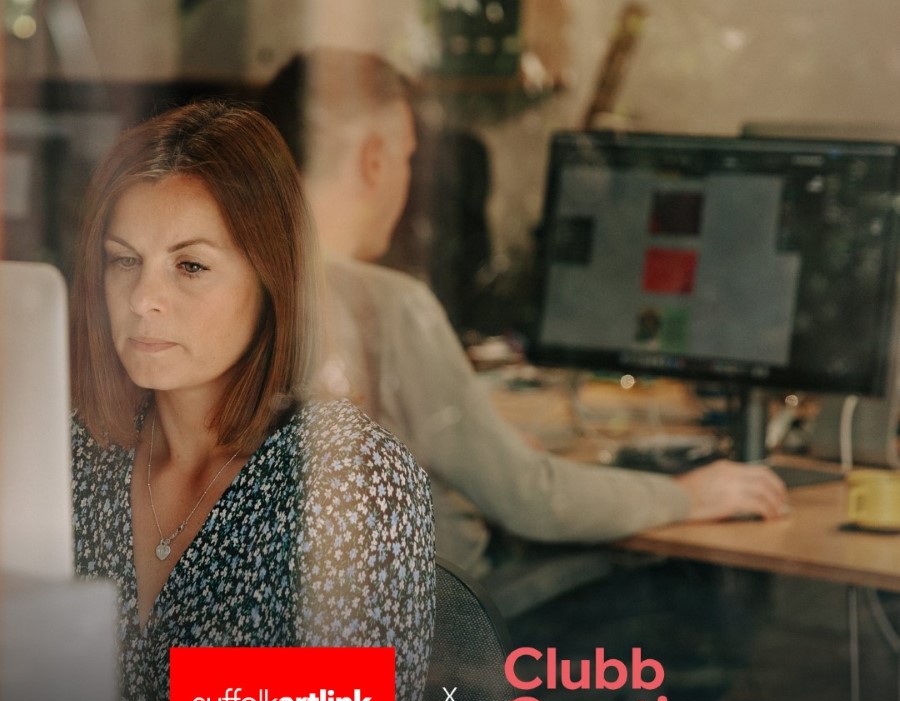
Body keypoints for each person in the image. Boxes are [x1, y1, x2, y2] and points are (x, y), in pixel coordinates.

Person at [260, 47, 787, 615]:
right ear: (374, 159)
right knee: (692, 593)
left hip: (281, 646)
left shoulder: (238, 282)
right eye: (409, 158)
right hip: (426, 642)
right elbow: (531, 498)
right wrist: (685, 495)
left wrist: (489, 448)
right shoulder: (388, 304)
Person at [68, 98, 436, 701]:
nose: (142, 300)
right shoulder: (81, 452)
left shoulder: (353, 484)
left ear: (271, 277)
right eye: (123, 259)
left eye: (190, 265)